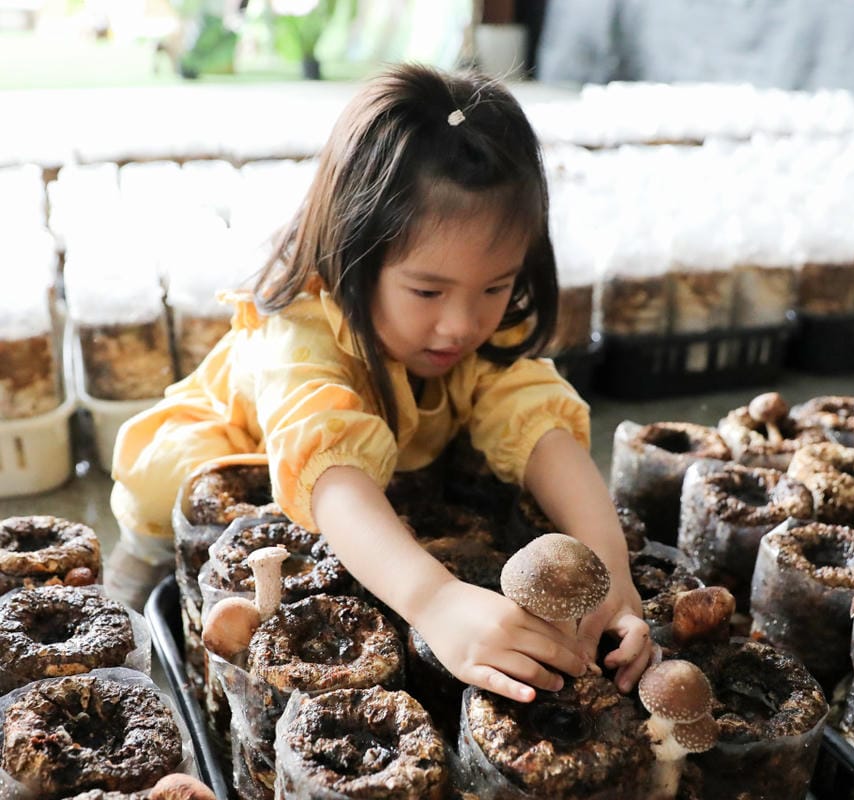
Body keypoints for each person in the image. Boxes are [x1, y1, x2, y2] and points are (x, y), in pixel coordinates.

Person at [107, 63, 652, 701]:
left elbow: (542, 426)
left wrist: (611, 567)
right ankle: (132, 595)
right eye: (427, 290)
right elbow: (333, 475)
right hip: (243, 464)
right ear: (353, 255)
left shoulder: (476, 323)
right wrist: (436, 600)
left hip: (370, 489)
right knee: (153, 605)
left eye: (496, 286)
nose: (462, 323)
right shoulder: (303, 335)